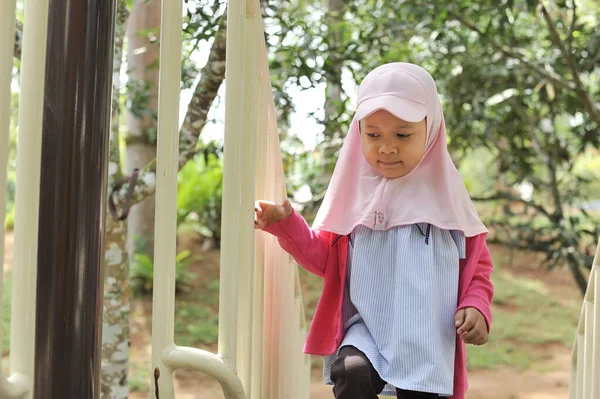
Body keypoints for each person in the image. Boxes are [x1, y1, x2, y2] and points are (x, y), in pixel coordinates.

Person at [254, 62, 494, 399]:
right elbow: (324, 260)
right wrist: (284, 222)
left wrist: (477, 306)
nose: (387, 147)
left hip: (427, 336)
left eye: (402, 134)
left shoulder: (449, 203)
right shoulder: (353, 198)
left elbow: (478, 269)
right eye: (373, 134)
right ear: (359, 132)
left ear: (432, 129)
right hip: (366, 327)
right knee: (351, 373)